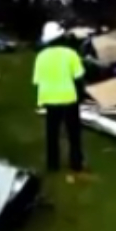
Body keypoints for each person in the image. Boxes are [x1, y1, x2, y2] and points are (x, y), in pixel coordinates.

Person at [33, 21, 86, 173]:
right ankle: (76, 164)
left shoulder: (41, 57)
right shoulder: (71, 54)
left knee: (52, 133)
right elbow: (79, 78)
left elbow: (37, 81)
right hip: (69, 98)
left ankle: (52, 164)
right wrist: (80, 96)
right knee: (73, 133)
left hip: (49, 99)